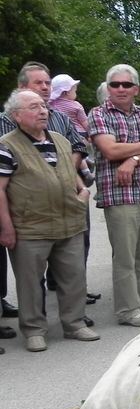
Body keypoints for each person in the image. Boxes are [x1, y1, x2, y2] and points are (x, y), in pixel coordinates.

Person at [0, 90, 99, 351]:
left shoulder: (60, 140)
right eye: (34, 107)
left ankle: (75, 324)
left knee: (74, 277)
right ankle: (33, 330)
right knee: (30, 283)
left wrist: (83, 191)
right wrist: (6, 227)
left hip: (69, 221)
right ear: (16, 116)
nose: (43, 111)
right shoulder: (6, 145)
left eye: (44, 106)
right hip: (30, 227)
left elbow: (69, 170)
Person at [89, 64, 140, 326]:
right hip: (119, 194)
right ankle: (127, 309)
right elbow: (110, 150)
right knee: (126, 256)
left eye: (126, 85)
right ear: (108, 88)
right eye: (115, 84)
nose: (120, 89)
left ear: (136, 89)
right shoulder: (98, 114)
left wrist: (133, 159)